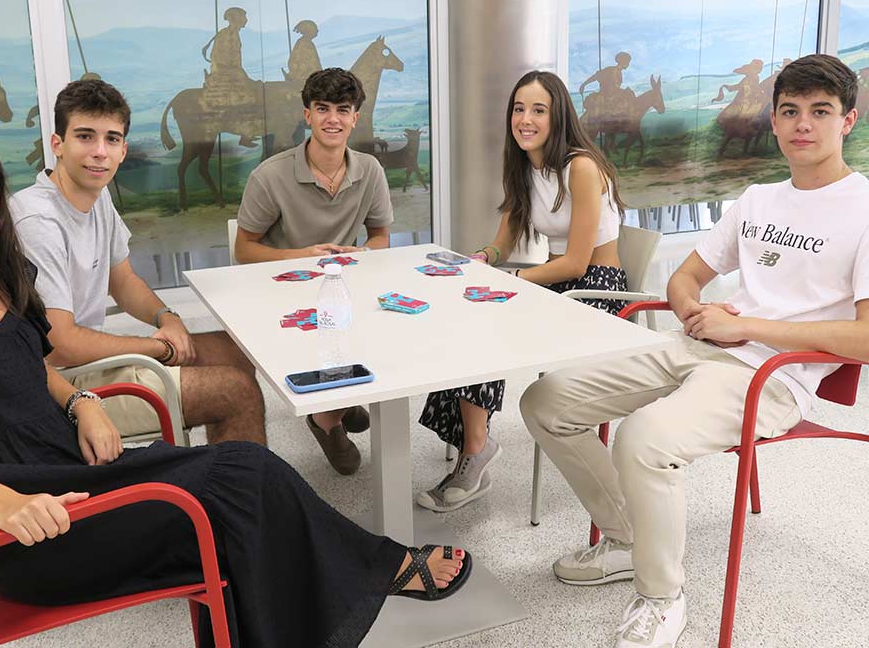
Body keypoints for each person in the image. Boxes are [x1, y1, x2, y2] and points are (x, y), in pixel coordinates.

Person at [0, 114, 473, 648]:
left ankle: (360, 571)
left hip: (71, 474)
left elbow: (33, 370)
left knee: (241, 476)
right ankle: (381, 565)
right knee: (243, 478)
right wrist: (4, 504)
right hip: (33, 525)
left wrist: (83, 402)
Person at [520, 54, 869, 648]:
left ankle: (661, 597)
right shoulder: (757, 199)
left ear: (848, 121)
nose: (802, 124)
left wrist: (750, 327)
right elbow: (683, 280)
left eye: (820, 112)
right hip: (702, 347)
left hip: (775, 377)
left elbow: (864, 340)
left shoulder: (863, 209)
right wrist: (695, 314)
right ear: (776, 120)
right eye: (790, 111)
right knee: (546, 400)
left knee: (644, 438)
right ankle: (628, 539)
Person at [10, 79, 266, 446]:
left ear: (123, 149)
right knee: (234, 391)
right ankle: (239, 497)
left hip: (84, 363)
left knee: (232, 351)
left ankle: (221, 483)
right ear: (57, 145)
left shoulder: (96, 197)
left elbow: (123, 280)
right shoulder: (38, 220)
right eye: (85, 136)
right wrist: (156, 347)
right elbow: (60, 344)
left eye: (111, 139)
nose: (100, 152)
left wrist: (167, 318)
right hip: (57, 386)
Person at [416, 70, 626, 513]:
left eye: (538, 110)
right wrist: (484, 258)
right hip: (558, 284)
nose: (525, 119)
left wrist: (512, 282)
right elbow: (504, 240)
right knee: (470, 319)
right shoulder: (526, 166)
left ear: (558, 116)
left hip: (597, 293)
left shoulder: (581, 167)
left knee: (489, 323)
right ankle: (477, 444)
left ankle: (475, 452)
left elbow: (576, 263)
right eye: (518, 108)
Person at [235, 68, 393, 475]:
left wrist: (356, 254)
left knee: (381, 319)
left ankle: (340, 400)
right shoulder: (269, 176)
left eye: (343, 110)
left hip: (345, 281)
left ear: (355, 117)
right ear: (307, 115)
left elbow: (380, 240)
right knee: (329, 323)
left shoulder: (371, 171)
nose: (332, 119)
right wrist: (302, 256)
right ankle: (328, 420)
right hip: (284, 289)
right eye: (322, 109)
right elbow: (244, 249)